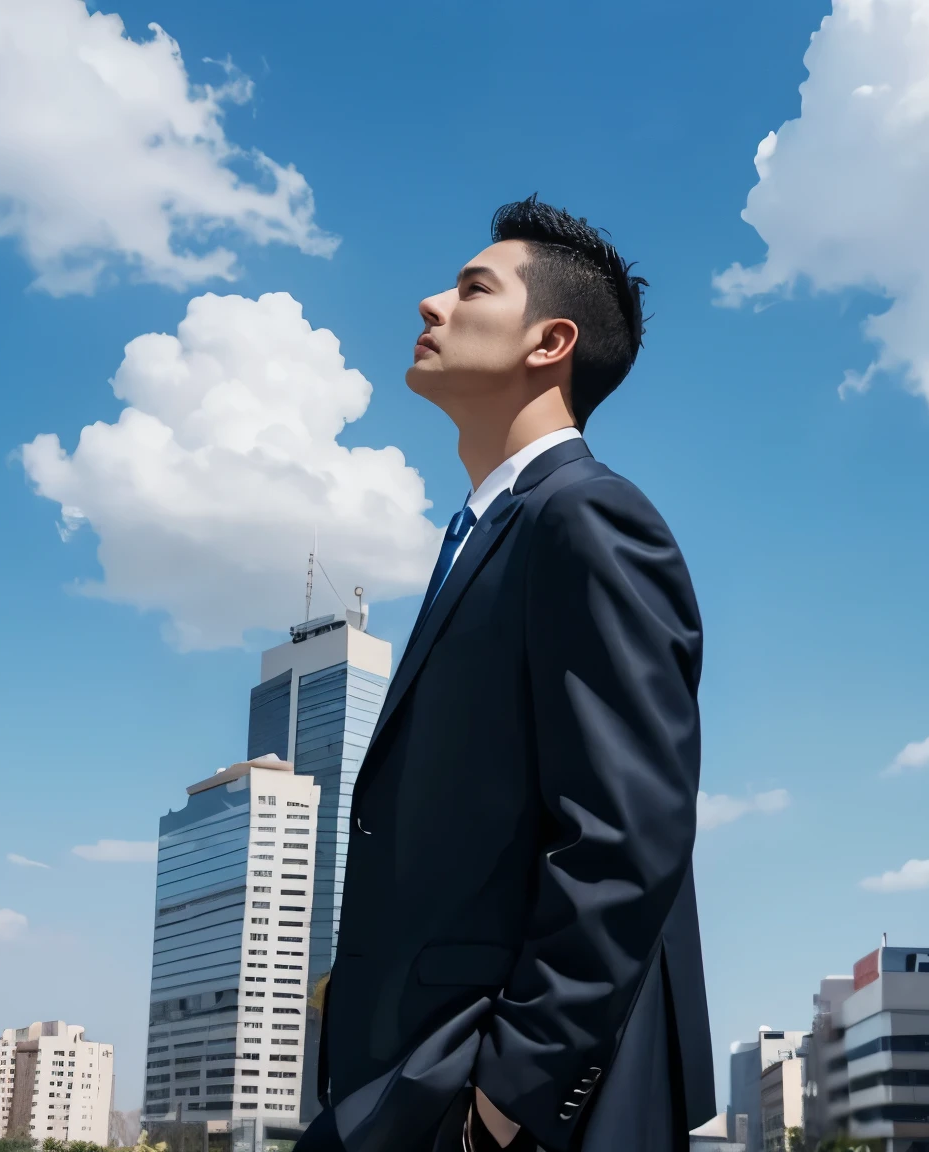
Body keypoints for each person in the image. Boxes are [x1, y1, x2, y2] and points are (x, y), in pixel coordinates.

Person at [295, 196, 712, 1152]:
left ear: (550, 340)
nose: (429, 304)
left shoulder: (588, 518)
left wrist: (512, 1095)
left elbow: (624, 832)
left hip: (491, 1101)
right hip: (402, 1081)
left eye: (474, 287)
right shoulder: (481, 534)